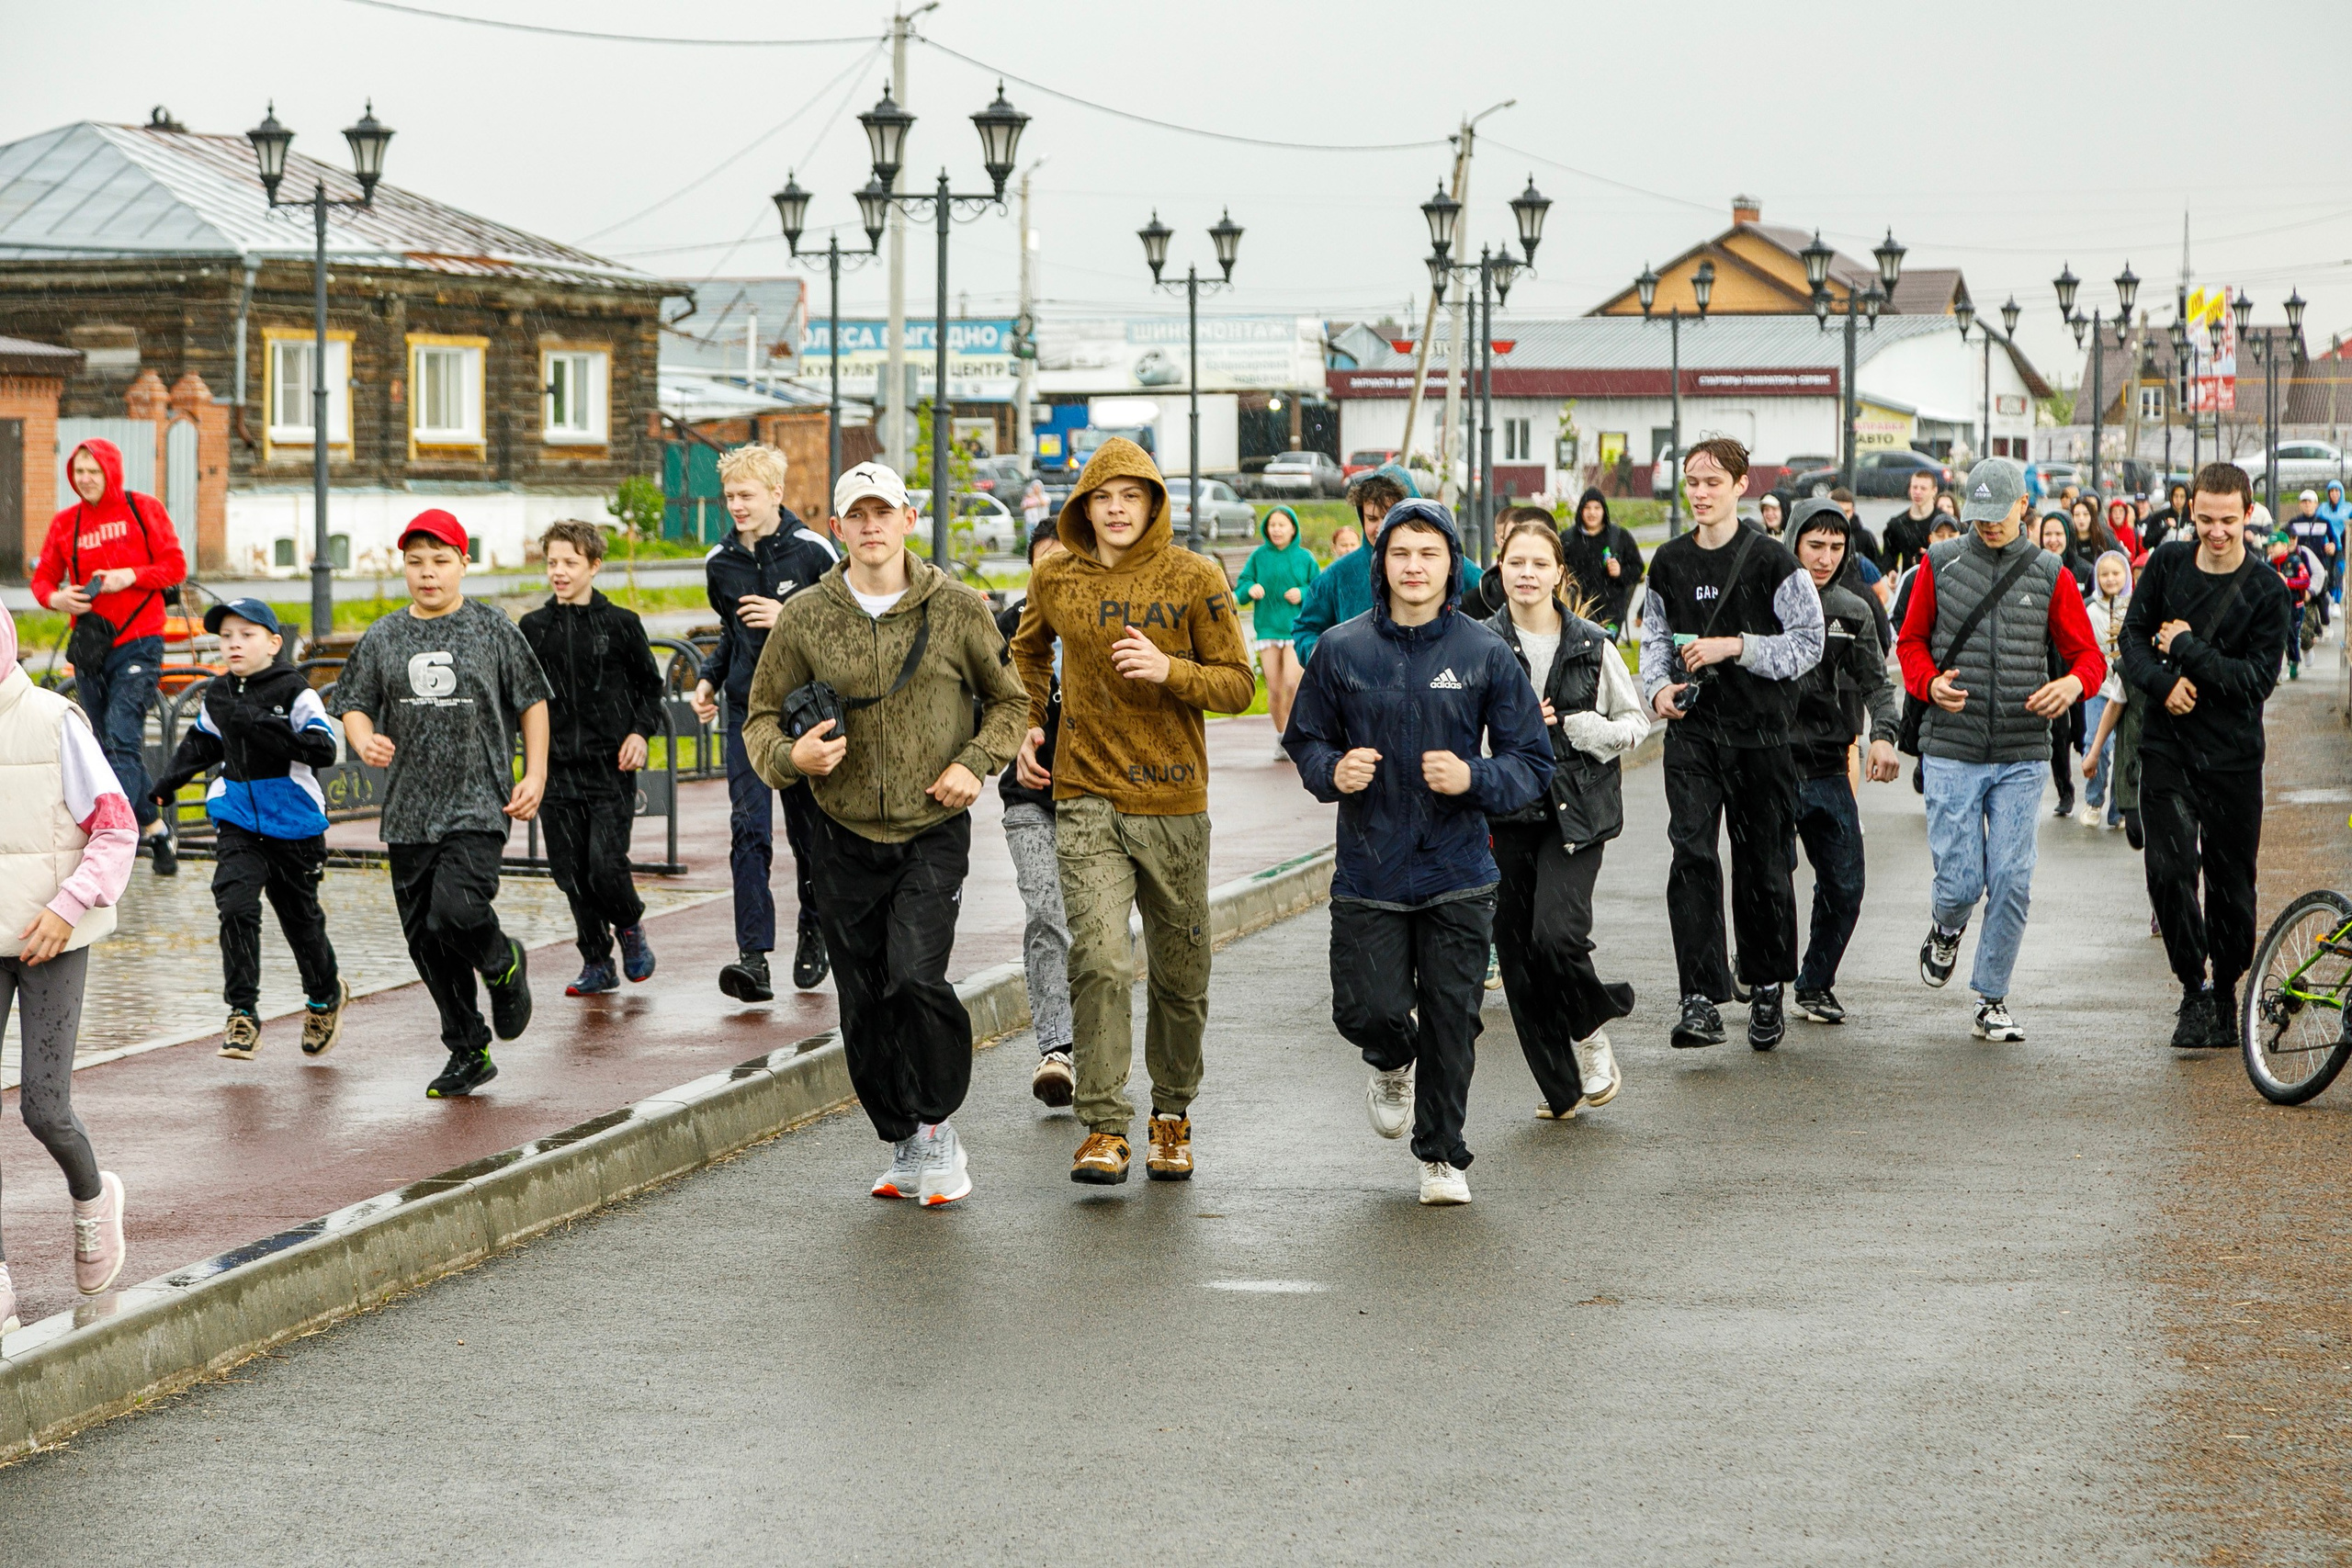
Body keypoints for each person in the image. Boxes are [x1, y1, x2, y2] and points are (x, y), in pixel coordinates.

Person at [741, 461, 1026, 1204]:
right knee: (863, 996)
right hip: (838, 833)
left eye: (883, 512)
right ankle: (900, 1132)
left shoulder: (960, 607)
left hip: (932, 826)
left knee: (914, 975)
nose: (871, 526)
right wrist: (790, 757)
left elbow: (1011, 703)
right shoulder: (805, 615)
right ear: (838, 528)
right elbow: (760, 717)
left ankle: (938, 1125)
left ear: (907, 518)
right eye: (856, 515)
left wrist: (975, 761)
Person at [1283, 500, 1551, 1204]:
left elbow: (1533, 759)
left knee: (1455, 1016)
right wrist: (1330, 771)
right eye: (1401, 552)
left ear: (1451, 563)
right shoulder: (1343, 649)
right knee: (1364, 1009)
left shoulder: (1484, 652)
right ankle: (1390, 1055)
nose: (1414, 566)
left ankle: (1441, 1154)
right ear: (1382, 560)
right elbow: (1306, 738)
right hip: (1370, 869)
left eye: (1429, 554)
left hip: (1458, 869)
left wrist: (1476, 777)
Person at [1012, 438, 1256, 1186]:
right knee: (1100, 958)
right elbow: (1025, 650)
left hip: (1175, 801)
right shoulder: (1056, 576)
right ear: (1083, 506)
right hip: (1085, 795)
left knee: (1182, 974)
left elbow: (1238, 684)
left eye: (1130, 495)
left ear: (1153, 503)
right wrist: (1028, 720)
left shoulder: (1195, 576)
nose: (1115, 509)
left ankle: (1172, 1114)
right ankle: (1104, 1125)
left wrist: (1168, 668)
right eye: (1101, 497)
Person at [336, 511, 550, 1098]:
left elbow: (532, 701)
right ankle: (467, 1049)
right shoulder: (383, 635)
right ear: (403, 566)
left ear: (463, 562)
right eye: (415, 562)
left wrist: (535, 772)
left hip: (478, 803)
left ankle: (503, 962)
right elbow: (353, 700)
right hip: (407, 812)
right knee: (426, 941)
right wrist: (360, 737)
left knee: (455, 909)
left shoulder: (491, 628)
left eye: (440, 561)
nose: (427, 574)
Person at [1898, 458, 2104, 1043]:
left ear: (2023, 509)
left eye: (1998, 515)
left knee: (2012, 880)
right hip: (1952, 748)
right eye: (1978, 516)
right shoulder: (1938, 564)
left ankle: (1991, 997)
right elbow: (1910, 641)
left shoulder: (2050, 573)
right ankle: (1945, 927)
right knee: (1963, 882)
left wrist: (2071, 685)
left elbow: (2088, 657)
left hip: (2021, 751)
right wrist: (1928, 682)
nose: (1987, 526)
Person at [1639, 437, 1824, 1051]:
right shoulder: (1666, 561)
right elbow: (1655, 641)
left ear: (1742, 485)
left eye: (1713, 481)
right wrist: (1659, 690)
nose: (1700, 492)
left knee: (1762, 862)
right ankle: (1700, 997)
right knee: (1691, 856)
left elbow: (1809, 643)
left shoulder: (1773, 560)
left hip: (1761, 734)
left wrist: (1736, 646)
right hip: (1693, 734)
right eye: (1692, 481)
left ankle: (1767, 982)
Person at [2121, 463, 2292, 1048]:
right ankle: (2192, 990)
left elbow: (2255, 681)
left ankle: (2227, 992)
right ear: (2189, 512)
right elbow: (2131, 641)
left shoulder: (2268, 591)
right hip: (2168, 750)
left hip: (2233, 759)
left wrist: (2187, 649)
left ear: (2248, 514)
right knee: (2168, 872)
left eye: (2227, 520)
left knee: (2230, 885)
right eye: (2203, 519)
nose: (2215, 532)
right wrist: (2162, 684)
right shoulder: (2167, 564)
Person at [1480, 518, 1645, 1118]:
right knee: (1518, 956)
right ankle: (1561, 1090)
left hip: (1577, 811)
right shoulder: (1478, 643)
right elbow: (1458, 730)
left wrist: (1580, 727)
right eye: (1515, 562)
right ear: (1499, 568)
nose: (1526, 574)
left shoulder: (1592, 643)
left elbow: (1635, 724)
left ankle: (1590, 1032)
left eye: (1538, 563)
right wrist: (1503, 737)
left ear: (1559, 573)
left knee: (1556, 936)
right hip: (1506, 809)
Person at [0, 601, 132, 1334]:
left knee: (42, 1107)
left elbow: (116, 829)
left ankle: (93, 1198)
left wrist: (67, 905)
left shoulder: (55, 721)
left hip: (52, 934)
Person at [151, 599, 349, 1058]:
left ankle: (324, 997)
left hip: (294, 824)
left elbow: (322, 749)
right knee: (236, 907)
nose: (234, 644)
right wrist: (165, 785)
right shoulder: (217, 694)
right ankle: (242, 1014)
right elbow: (202, 742)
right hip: (237, 820)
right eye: (226, 637)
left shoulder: (294, 690)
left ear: (274, 643)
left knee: (300, 921)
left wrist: (262, 724)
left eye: (247, 634)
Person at [687, 444, 839, 1002]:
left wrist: (790, 616)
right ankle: (753, 958)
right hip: (747, 713)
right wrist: (707, 676)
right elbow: (731, 632)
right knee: (748, 829)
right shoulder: (719, 561)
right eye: (730, 497)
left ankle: (814, 924)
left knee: (807, 833)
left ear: (776, 494)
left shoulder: (812, 553)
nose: (737, 506)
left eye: (747, 495)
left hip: (803, 715)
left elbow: (847, 626)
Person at [29, 437, 189, 877]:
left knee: (121, 741)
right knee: (101, 749)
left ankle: (117, 840)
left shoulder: (143, 509)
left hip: (140, 639)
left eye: (93, 471)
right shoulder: (67, 523)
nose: (85, 480)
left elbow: (175, 566)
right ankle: (155, 827)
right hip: (92, 646)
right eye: (78, 472)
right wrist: (57, 598)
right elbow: (42, 580)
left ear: (111, 471)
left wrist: (129, 576)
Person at [518, 521, 666, 997]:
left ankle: (630, 928)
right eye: (552, 563)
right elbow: (519, 697)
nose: (558, 572)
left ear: (594, 566)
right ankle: (596, 962)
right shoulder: (533, 628)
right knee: (570, 873)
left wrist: (640, 733)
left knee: (604, 864)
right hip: (555, 771)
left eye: (570, 563)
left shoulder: (621, 624)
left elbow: (651, 688)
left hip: (610, 768)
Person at [1781, 501, 1901, 1024]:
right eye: (1814, 546)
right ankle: (1759, 965)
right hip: (1770, 766)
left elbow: (1878, 682)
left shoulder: (1853, 609)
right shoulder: (1765, 602)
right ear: (1793, 544)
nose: (1825, 558)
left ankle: (1815, 982)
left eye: (1836, 547)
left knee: (1845, 883)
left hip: (1830, 765)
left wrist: (1883, 737)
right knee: (1768, 879)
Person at [998, 520, 1077, 1109]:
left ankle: (1099, 1045)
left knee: (1098, 937)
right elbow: (981, 707)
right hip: (1030, 802)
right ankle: (1057, 1050)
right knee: (1047, 915)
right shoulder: (1008, 630)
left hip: (1099, 802)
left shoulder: (1102, 623)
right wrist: (1012, 744)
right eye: (1042, 566)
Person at [1293, 464, 1414, 666]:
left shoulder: (1448, 565)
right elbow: (1306, 629)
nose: (1381, 527)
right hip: (1357, 694)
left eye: (1391, 515)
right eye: (1372, 518)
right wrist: (1329, 662)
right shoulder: (1337, 575)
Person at [1235, 503, 1319, 755]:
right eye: (1272, 525)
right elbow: (1242, 586)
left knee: (1293, 684)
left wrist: (1303, 593)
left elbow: (1318, 591)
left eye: (1282, 525)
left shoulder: (1305, 558)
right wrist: (1250, 589)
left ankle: (1297, 734)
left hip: (1296, 630)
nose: (1276, 530)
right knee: (1275, 688)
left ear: (1293, 529)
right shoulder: (1259, 557)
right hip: (1268, 629)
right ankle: (1282, 736)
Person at [2079, 550, 2133, 828]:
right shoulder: (2089, 609)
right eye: (2104, 574)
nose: (2110, 579)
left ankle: (2119, 808)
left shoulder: (2136, 608)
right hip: (2099, 688)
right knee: (2097, 744)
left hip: (2127, 689)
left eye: (2116, 573)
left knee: (2125, 747)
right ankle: (2093, 800)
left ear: (2126, 576)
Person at [1559, 487, 1646, 637]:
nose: (1592, 513)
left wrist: (1620, 573)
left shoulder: (1618, 536)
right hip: (1576, 609)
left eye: (1597, 508)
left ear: (1604, 511)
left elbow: (1637, 568)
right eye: (1587, 508)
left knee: (1606, 653)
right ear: (1580, 510)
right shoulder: (1568, 538)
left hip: (1611, 610)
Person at [2287, 490, 2335, 631]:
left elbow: (2334, 541)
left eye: (2310, 501)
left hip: (2320, 565)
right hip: (2300, 564)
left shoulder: (2324, 522)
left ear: (2316, 504)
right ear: (2300, 505)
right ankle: (2312, 627)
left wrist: (2331, 547)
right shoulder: (2293, 523)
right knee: (2304, 597)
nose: (2307, 504)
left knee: (2320, 596)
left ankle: (2325, 623)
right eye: (2304, 502)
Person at [1882, 468, 1942, 574]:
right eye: (1914, 487)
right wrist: (1890, 571)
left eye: (1923, 488)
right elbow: (1889, 556)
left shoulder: (1944, 522)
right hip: (1910, 584)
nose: (1917, 492)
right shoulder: (1897, 524)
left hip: (1939, 581)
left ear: (1934, 491)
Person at [2318, 479, 2351, 604]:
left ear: (2341, 492)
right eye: (2332, 491)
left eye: (2337, 490)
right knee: (2328, 572)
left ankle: (2337, 600)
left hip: (2341, 546)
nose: (2334, 493)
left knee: (2339, 571)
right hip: (2326, 546)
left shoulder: (2348, 508)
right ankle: (2330, 596)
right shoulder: (2322, 508)